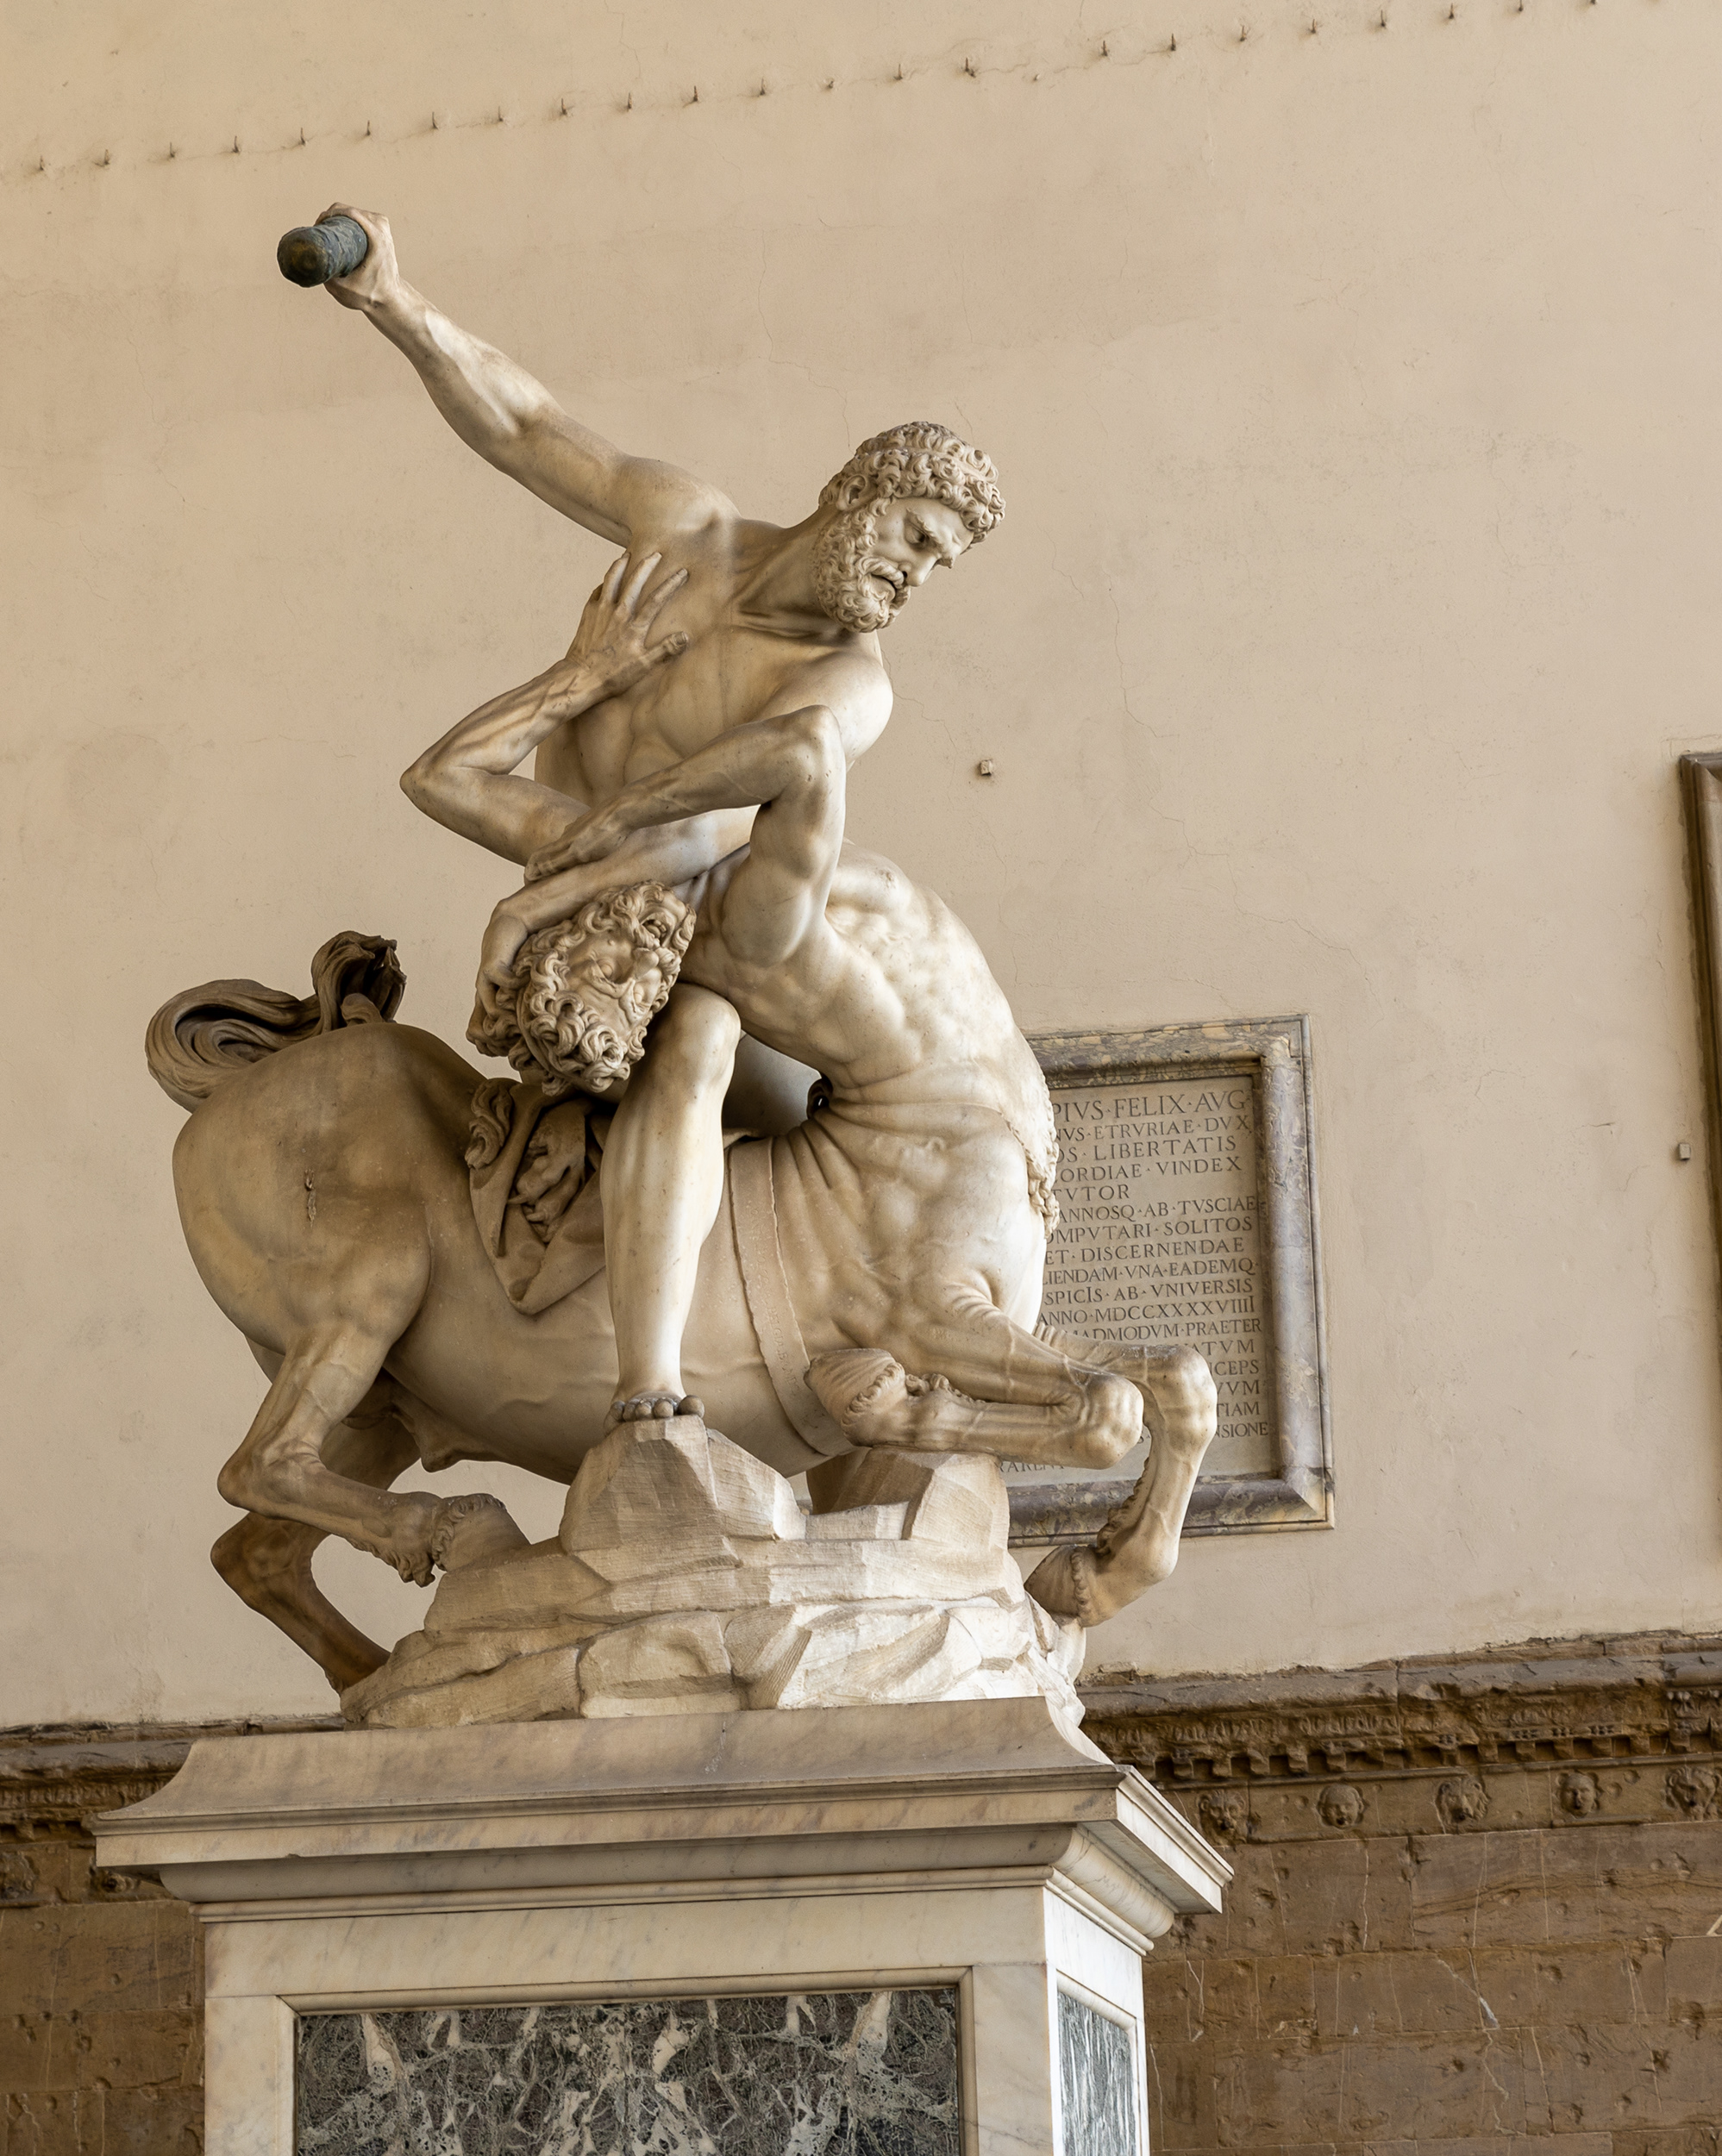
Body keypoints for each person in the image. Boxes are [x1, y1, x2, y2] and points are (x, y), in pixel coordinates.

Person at [404, 561, 1212, 1628]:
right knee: (699, 1038)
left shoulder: (601, 853)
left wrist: (589, 687)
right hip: (778, 1031)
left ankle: (868, 1434)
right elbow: (796, 752)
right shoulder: (699, 923)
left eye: (608, 976)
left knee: (712, 1035)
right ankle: (663, 1389)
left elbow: (442, 775)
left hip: (816, 1011)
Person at [329, 203, 1004, 1425]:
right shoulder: (687, 531)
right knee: (656, 1029)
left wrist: (587, 849)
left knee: (693, 1043)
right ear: (857, 491)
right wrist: (396, 305)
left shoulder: (851, 679)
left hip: (715, 936)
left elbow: (783, 764)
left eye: (937, 566)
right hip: (600, 934)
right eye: (916, 538)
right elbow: (531, 429)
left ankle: (656, 1399)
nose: (916, 576)